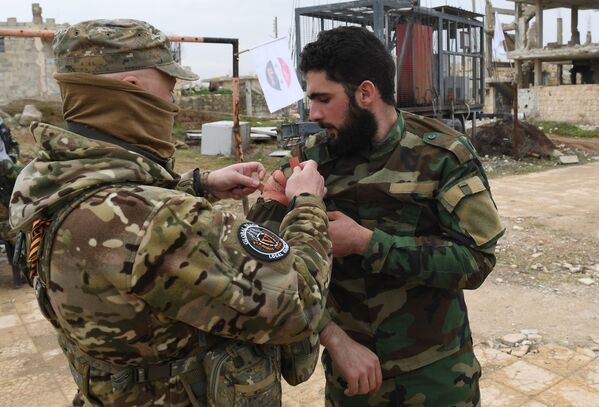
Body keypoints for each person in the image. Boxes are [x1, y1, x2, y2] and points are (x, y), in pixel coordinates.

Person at [9, 19, 332, 406]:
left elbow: (112, 219)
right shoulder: (160, 223)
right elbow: (298, 304)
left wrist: (197, 185)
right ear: (132, 89)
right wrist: (308, 205)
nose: (174, 105)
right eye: (170, 88)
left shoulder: (47, 182)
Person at [248, 26, 504, 406]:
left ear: (365, 93)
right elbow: (265, 265)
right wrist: (333, 337)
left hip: (436, 378)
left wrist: (368, 244)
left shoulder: (445, 156)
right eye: (309, 99)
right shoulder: (311, 160)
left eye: (323, 99)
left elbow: (476, 261)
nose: (312, 114)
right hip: (349, 379)